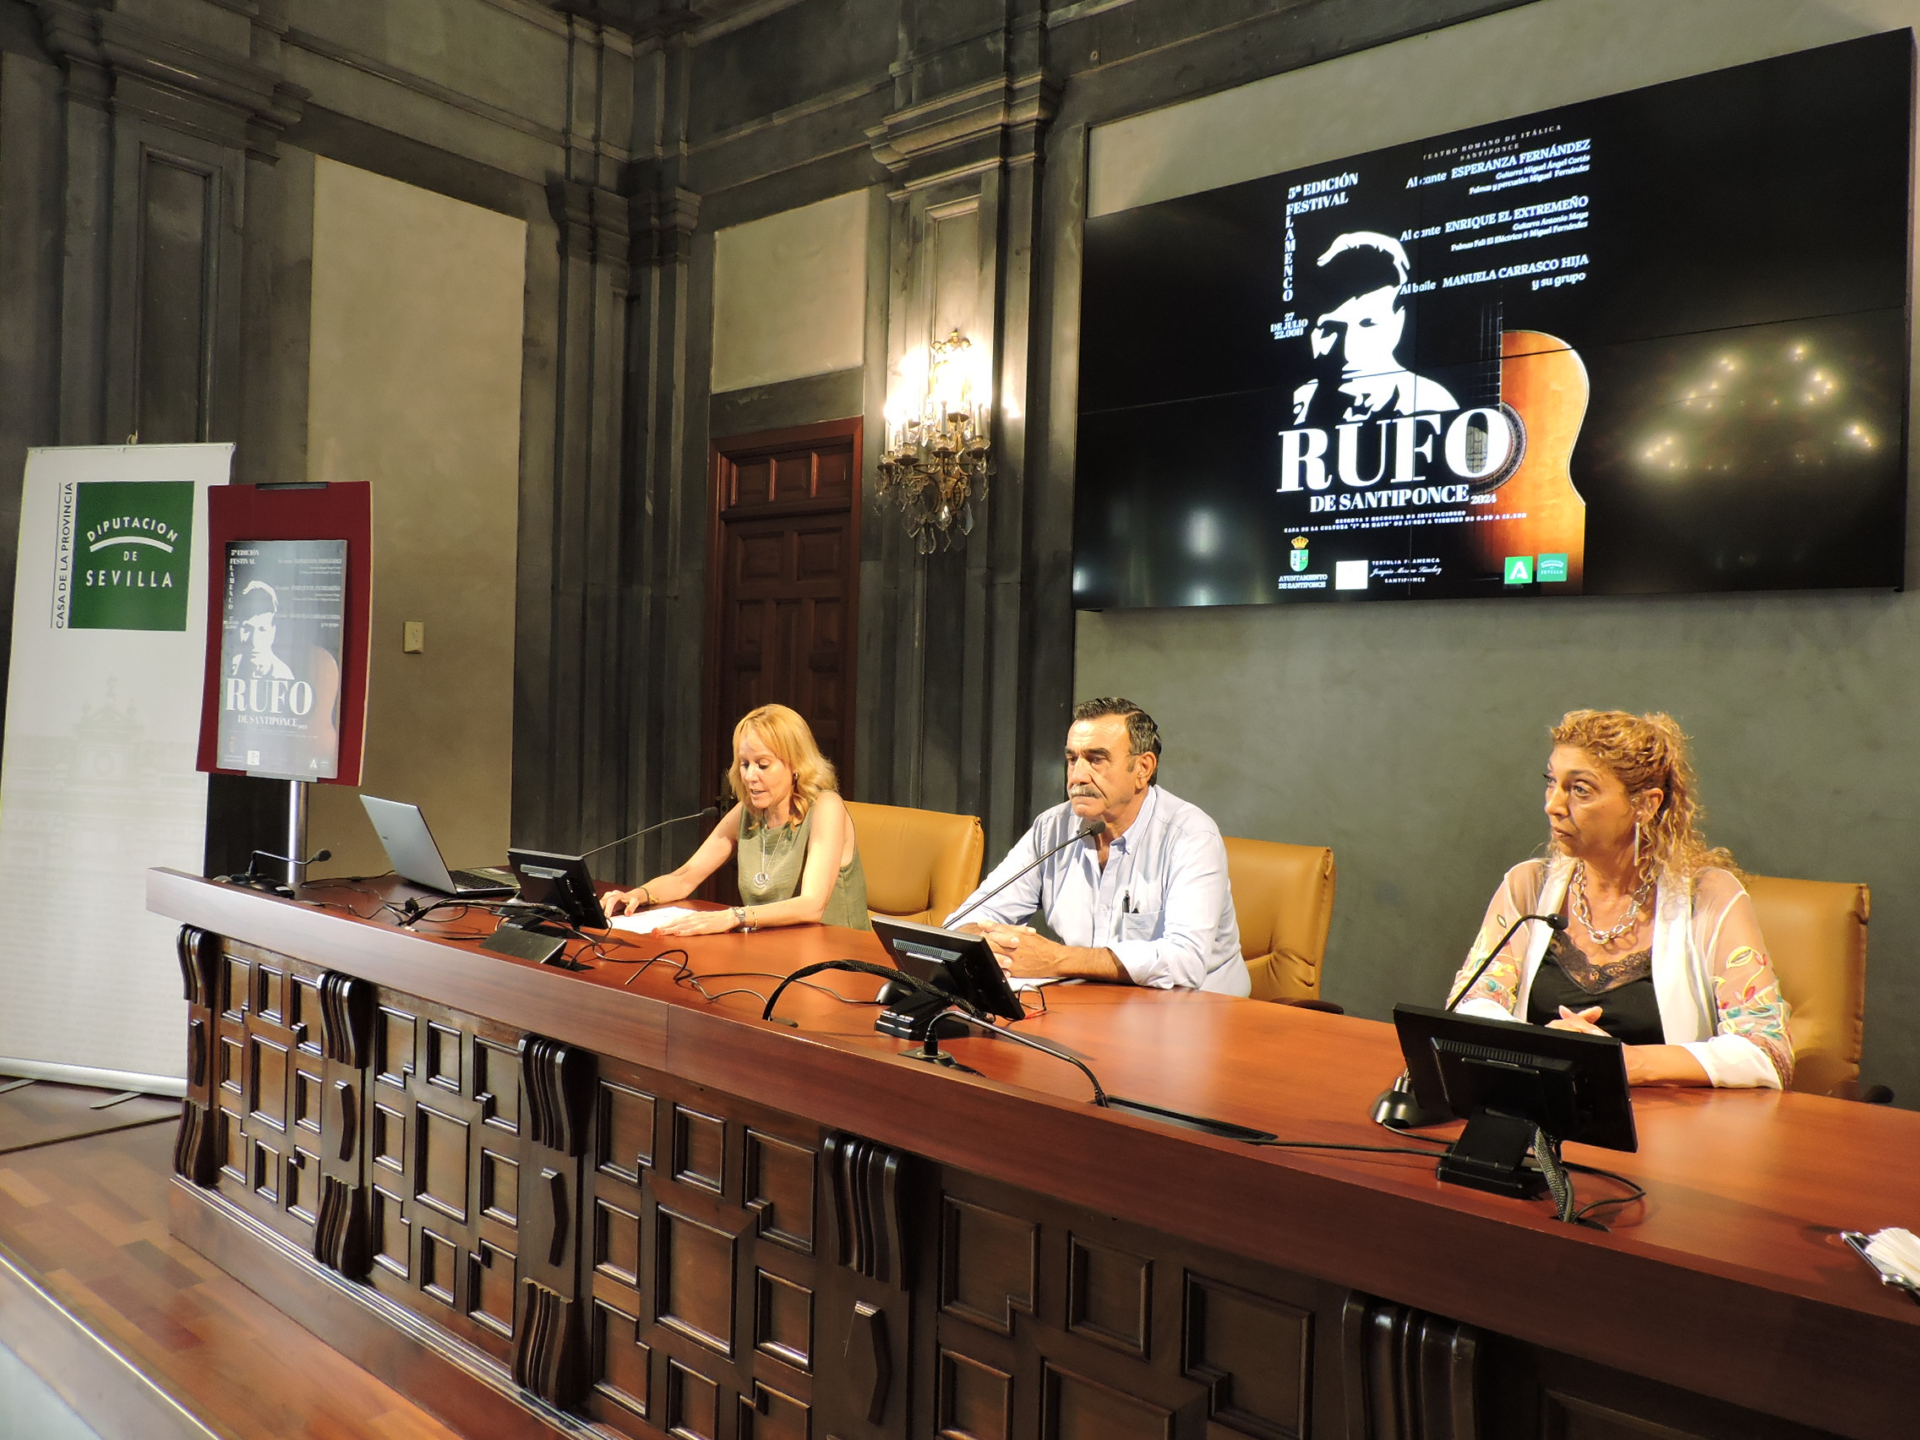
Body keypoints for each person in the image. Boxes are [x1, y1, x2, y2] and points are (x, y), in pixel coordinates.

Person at [1449, 709, 1792, 1089]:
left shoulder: (1708, 898)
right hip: (1539, 1109)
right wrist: (1549, 1047)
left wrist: (1628, 1061)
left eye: (1580, 789)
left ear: (1645, 804)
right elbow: (1470, 1007)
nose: (1553, 804)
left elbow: (1766, 1050)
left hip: (1665, 1130)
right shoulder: (1528, 886)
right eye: (1551, 782)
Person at [944, 698, 1248, 994]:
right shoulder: (1053, 828)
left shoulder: (1190, 835)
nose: (1077, 776)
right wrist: (995, 946)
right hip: (1095, 1006)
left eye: (1096, 759)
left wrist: (1056, 959)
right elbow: (963, 922)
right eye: (1072, 759)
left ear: (1142, 768)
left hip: (1199, 1013)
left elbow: (1185, 962)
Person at [602, 704, 870, 934]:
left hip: (841, 960)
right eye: (744, 764)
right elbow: (686, 876)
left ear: (797, 765)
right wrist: (639, 895)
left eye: (763, 765)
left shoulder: (826, 807)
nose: (750, 776)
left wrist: (734, 916)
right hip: (774, 952)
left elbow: (812, 905)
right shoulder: (748, 812)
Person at [1289, 230, 1458, 428]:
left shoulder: (1431, 403)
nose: (1347, 352)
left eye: (1368, 323)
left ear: (1399, 321)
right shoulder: (1299, 403)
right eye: (1330, 329)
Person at [229, 580, 296, 680]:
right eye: (247, 629)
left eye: (262, 629)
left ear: (273, 631)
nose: (254, 642)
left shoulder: (283, 676)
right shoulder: (231, 666)